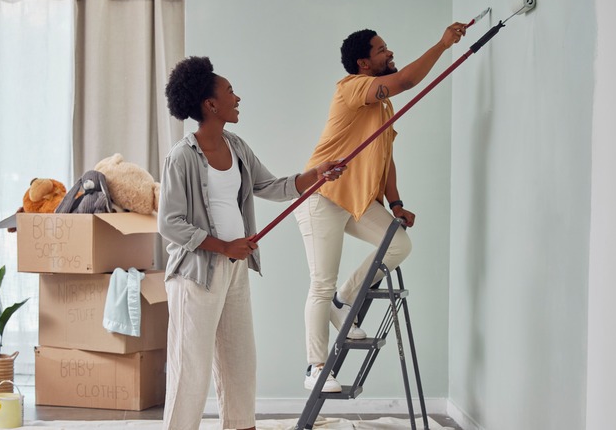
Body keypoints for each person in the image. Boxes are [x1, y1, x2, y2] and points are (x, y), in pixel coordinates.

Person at [158, 56, 345, 430]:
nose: (237, 97)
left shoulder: (236, 146)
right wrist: (223, 246)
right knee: (189, 371)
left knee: (240, 362)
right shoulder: (181, 157)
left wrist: (315, 175)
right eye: (230, 92)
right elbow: (169, 223)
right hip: (196, 277)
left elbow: (269, 186)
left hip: (236, 270)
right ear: (210, 105)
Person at [294, 23, 467, 393]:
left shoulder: (382, 106)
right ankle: (315, 368)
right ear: (364, 63)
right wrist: (442, 44)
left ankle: (345, 301)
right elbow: (406, 81)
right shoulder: (352, 88)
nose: (389, 53)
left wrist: (397, 203)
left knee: (399, 244)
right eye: (381, 50)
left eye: (387, 47)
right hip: (323, 197)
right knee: (320, 282)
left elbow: (386, 157)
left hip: (355, 200)